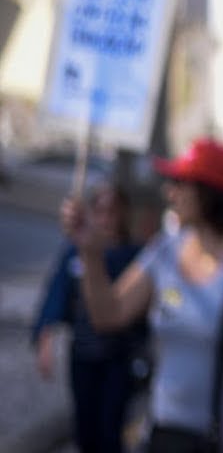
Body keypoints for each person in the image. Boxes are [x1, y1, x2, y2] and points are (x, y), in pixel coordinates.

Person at [66, 138, 223, 452]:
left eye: (180, 183)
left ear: (211, 192)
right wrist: (90, 254)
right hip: (169, 436)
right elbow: (110, 315)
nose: (169, 192)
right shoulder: (166, 249)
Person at [34, 183, 147, 453]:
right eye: (100, 211)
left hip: (118, 356)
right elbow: (57, 293)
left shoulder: (136, 259)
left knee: (110, 428)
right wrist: (45, 334)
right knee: (85, 427)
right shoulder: (75, 253)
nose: (106, 219)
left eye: (113, 211)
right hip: (83, 354)